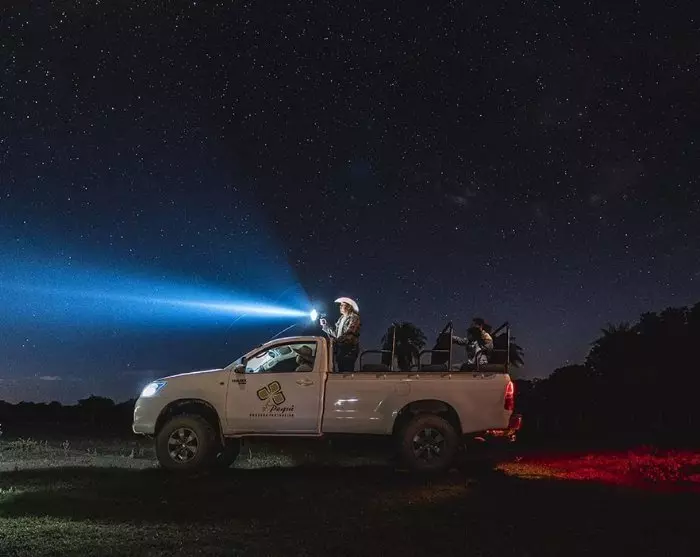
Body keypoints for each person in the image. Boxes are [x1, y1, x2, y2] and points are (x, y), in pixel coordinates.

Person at [320, 297, 361, 372]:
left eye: (342, 305)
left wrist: (337, 341)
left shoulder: (354, 318)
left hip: (349, 349)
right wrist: (325, 326)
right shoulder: (341, 318)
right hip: (341, 349)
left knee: (346, 371)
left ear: (349, 307)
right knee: (341, 369)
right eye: (340, 305)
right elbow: (336, 334)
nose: (340, 306)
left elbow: (350, 333)